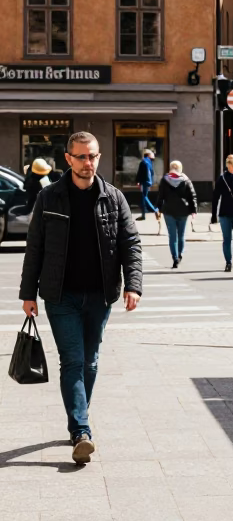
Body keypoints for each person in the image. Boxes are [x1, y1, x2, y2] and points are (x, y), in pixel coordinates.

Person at [19, 131, 142, 464]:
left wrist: (133, 284)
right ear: (68, 159)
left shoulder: (113, 198)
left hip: (101, 295)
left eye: (94, 156)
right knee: (73, 360)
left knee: (90, 361)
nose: (89, 163)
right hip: (61, 296)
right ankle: (82, 430)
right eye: (82, 157)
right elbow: (35, 248)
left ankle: (78, 419)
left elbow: (130, 244)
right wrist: (27, 293)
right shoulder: (50, 198)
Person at [156, 160, 198, 268]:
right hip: (183, 211)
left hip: (169, 210)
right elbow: (192, 195)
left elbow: (161, 195)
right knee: (181, 235)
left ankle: (174, 258)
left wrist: (158, 208)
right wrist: (194, 210)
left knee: (172, 236)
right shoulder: (185, 180)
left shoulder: (165, 180)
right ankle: (180, 254)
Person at [135, 149, 156, 220]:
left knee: (144, 197)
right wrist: (150, 182)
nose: (153, 155)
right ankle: (144, 214)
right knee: (144, 197)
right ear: (149, 155)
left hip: (145, 182)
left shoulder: (144, 162)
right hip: (147, 182)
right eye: (152, 154)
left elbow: (141, 172)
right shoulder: (149, 162)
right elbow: (151, 173)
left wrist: (138, 181)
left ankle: (154, 210)